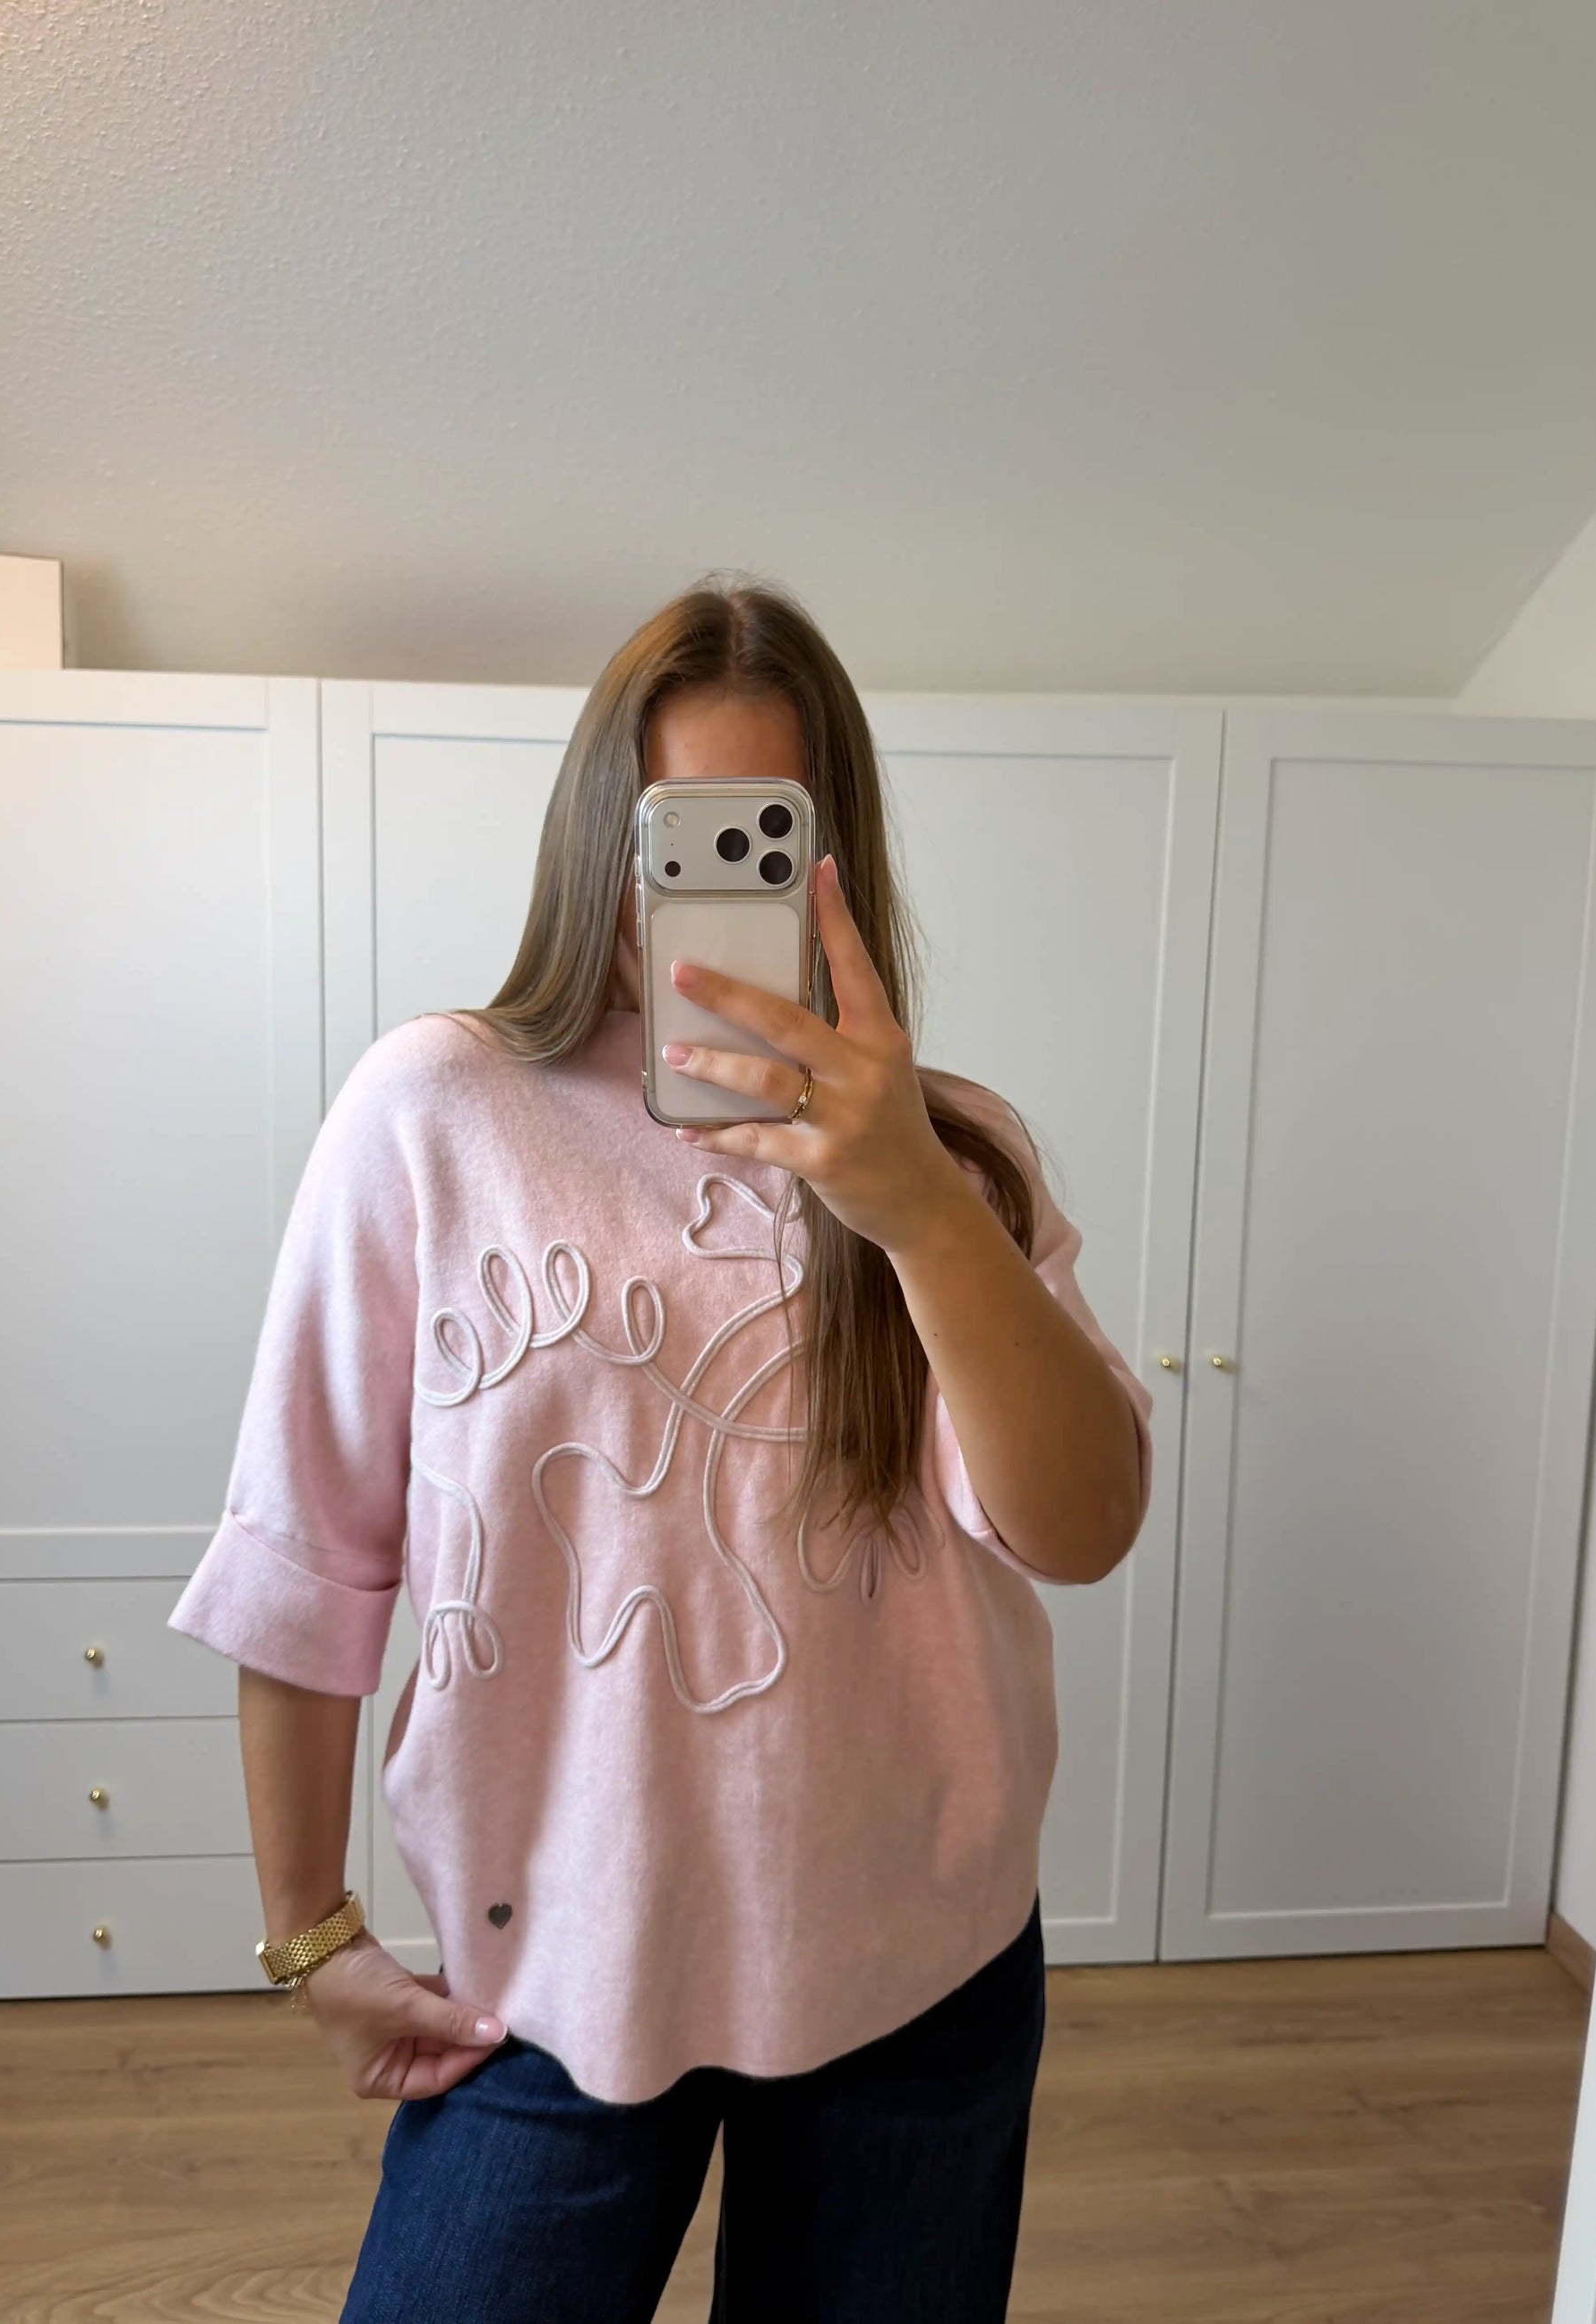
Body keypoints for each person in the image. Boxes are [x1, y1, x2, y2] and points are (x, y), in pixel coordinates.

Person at [167, 575, 1154, 2322]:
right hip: (543, 1980)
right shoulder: (434, 1111)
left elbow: (1083, 1525)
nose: (699, 895)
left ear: (830, 862)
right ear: (594, 841)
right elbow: (305, 1548)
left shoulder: (951, 1157)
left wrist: (916, 1205)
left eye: (756, 839)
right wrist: (309, 1928)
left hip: (914, 1972)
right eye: (670, 833)